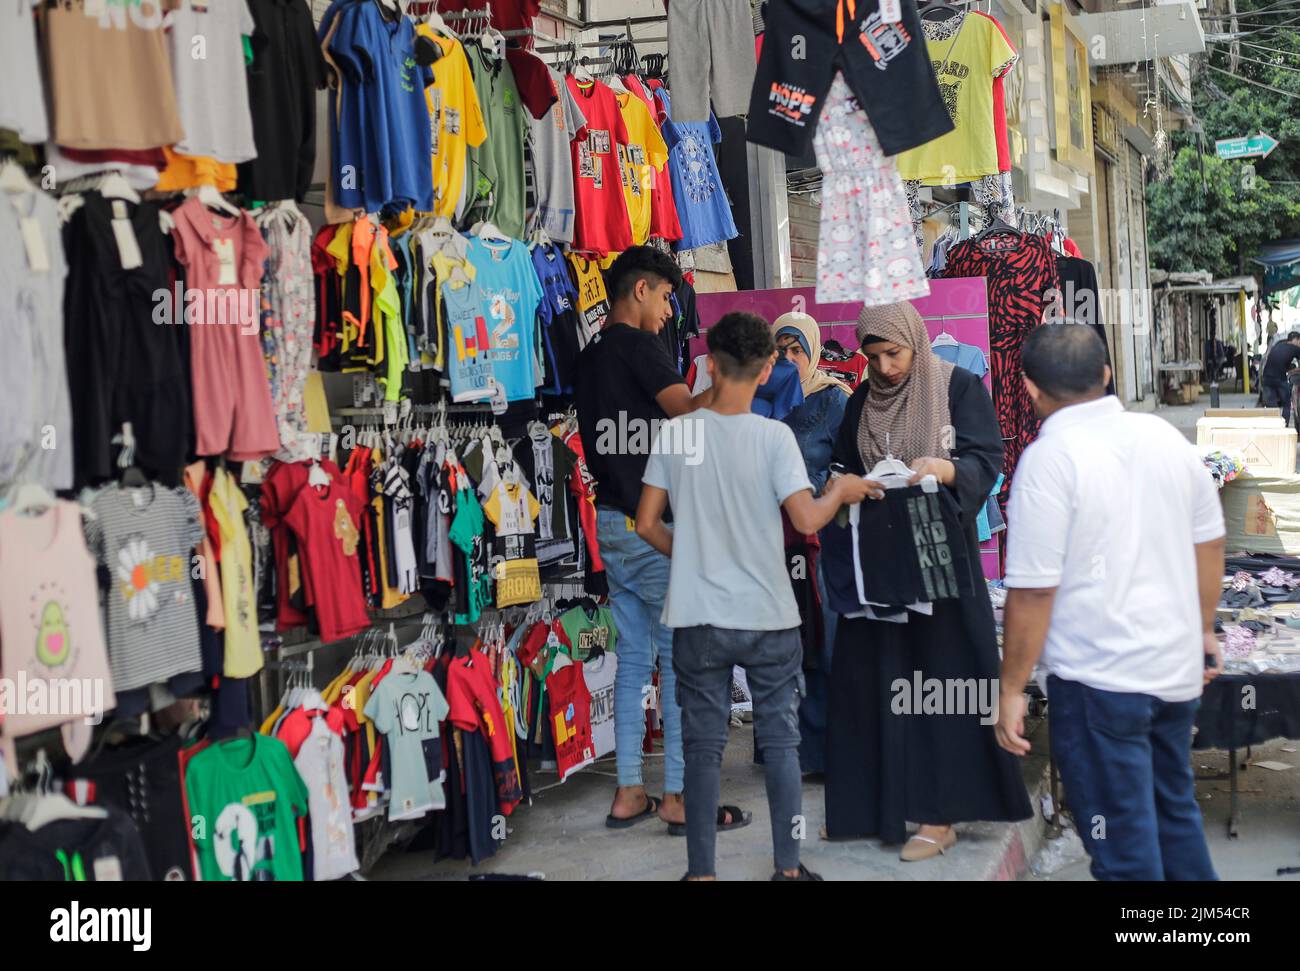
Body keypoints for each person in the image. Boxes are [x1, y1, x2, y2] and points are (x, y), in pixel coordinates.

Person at [635, 312, 873, 880]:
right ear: (768, 368)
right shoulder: (775, 438)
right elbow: (808, 518)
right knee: (783, 747)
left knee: (703, 749)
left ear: (709, 365)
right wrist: (840, 489)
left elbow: (645, 524)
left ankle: (702, 872)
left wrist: (693, 554)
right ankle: (788, 869)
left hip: (697, 616)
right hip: (768, 615)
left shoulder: (678, 434)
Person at [996, 324, 1225, 881]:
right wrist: (1201, 630)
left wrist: (1009, 688)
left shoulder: (1047, 462)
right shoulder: (1164, 437)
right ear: (1105, 375)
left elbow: (1033, 591)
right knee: (1173, 814)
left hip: (1101, 685)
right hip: (1173, 673)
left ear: (1028, 388)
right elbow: (1211, 541)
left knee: (1123, 846)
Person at [823, 300, 1031, 860]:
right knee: (875, 679)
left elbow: (987, 460)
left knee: (942, 680)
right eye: (875, 356)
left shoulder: (958, 388)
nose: (886, 366)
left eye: (895, 352)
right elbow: (842, 462)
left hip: (938, 555)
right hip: (880, 563)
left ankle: (941, 816)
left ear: (916, 341)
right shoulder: (862, 400)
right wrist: (850, 483)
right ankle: (875, 808)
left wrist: (948, 469)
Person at [573, 246, 747, 834]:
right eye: (668, 297)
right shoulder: (640, 347)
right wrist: (730, 380)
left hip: (610, 524)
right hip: (653, 528)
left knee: (632, 664)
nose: (671, 310)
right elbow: (687, 415)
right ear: (641, 290)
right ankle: (676, 797)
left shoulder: (591, 353)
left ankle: (628, 792)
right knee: (679, 662)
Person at [772, 312, 850, 774]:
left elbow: (852, 459)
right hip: (770, 538)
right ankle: (784, 750)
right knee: (779, 642)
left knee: (821, 636)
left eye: (796, 349)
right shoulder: (760, 399)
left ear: (813, 352)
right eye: (779, 348)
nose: (786, 358)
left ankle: (824, 751)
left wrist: (827, 488)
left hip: (819, 538)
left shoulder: (832, 400)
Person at [1260, 331, 1300, 421]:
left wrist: (1290, 369)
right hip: (1279, 379)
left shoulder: (1277, 345)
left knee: (1272, 406)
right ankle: (1284, 425)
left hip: (1266, 378)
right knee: (1286, 403)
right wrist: (1294, 370)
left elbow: (1278, 360)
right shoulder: (1295, 348)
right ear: (1296, 340)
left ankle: (1275, 425)